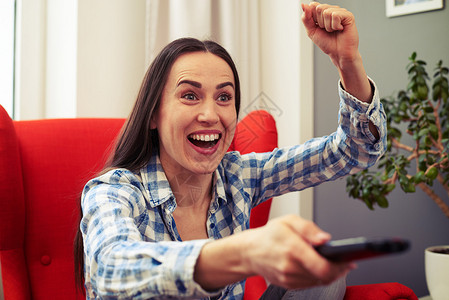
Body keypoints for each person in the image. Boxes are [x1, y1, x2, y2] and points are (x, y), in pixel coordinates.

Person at [74, 2, 387, 299]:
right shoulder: (114, 190)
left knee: (323, 271)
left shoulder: (238, 176)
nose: (211, 114)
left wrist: (348, 63)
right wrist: (244, 253)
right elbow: (109, 269)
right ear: (154, 114)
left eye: (224, 98)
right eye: (189, 96)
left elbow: (353, 151)